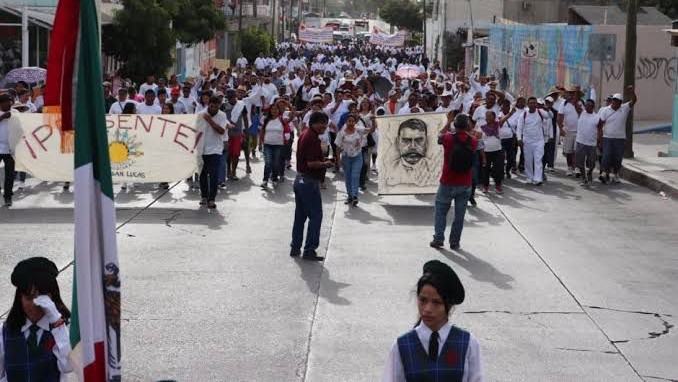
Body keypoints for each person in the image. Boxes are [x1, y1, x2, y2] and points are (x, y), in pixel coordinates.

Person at [381, 260, 482, 382]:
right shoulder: (401, 346)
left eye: (436, 302)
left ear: (448, 305)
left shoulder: (468, 344)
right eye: (423, 300)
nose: (427, 309)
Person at [1, 257, 73, 381]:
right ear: (20, 299)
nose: (34, 305)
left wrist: (56, 320)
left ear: (51, 297)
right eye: (28, 298)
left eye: (41, 298)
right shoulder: (6, 332)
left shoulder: (63, 329)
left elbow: (68, 366)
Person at [290, 111, 335, 261]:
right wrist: (326, 163)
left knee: (300, 216)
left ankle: (295, 248)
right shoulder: (311, 138)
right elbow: (311, 163)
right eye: (322, 122)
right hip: (308, 182)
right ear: (314, 123)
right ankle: (309, 250)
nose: (324, 126)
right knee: (316, 216)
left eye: (326, 122)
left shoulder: (306, 134)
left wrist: (323, 160)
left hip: (301, 180)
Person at [431, 113, 477, 250]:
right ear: (467, 125)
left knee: (440, 211)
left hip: (447, 181)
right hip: (465, 182)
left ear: (454, 125)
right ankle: (455, 242)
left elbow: (439, 136)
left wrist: (448, 121)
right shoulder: (473, 141)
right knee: (460, 214)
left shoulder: (448, 138)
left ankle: (439, 239)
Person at [598, 87, 637, 184]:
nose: (615, 102)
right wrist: (599, 138)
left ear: (620, 102)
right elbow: (600, 125)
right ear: (612, 101)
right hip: (607, 137)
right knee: (606, 156)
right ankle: (603, 173)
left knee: (617, 158)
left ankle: (615, 174)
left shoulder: (624, 108)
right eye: (614, 100)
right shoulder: (605, 110)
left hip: (620, 138)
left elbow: (634, 100)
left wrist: (632, 92)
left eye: (617, 101)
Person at [198, 96, 228, 209]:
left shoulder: (222, 115)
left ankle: (212, 199)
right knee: (202, 174)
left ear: (219, 106)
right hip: (201, 148)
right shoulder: (200, 114)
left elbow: (221, 130)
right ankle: (204, 196)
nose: (214, 108)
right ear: (208, 104)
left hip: (215, 149)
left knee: (214, 174)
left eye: (216, 106)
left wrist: (210, 120)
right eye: (212, 106)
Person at [517, 97, 550, 186]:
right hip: (527, 141)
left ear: (536, 104)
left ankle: (538, 179)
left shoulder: (540, 112)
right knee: (528, 160)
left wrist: (548, 110)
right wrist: (519, 139)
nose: (532, 104)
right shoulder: (524, 114)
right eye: (530, 103)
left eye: (534, 103)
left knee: (538, 159)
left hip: (539, 141)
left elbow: (550, 116)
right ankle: (529, 177)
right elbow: (519, 127)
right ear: (528, 104)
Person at [335, 114, 366, 206]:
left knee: (355, 176)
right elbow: (337, 147)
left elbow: (371, 130)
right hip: (346, 157)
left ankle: (355, 196)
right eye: (349, 121)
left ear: (355, 122)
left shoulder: (359, 130)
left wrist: (373, 121)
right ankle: (350, 196)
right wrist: (338, 160)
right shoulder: (341, 133)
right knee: (348, 177)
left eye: (353, 121)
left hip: (357, 157)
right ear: (346, 122)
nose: (351, 123)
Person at [575, 99, 600, 187]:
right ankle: (583, 178)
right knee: (580, 162)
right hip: (580, 141)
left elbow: (600, 129)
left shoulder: (597, 117)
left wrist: (599, 141)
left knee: (591, 163)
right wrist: (576, 94)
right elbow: (575, 104)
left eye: (590, 106)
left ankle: (589, 172)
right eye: (586, 105)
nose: (587, 107)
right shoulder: (581, 113)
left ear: (593, 107)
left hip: (592, 143)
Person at [0, 93, 16, 206]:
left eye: (11, 101)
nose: (10, 103)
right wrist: (2, 117)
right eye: (7, 101)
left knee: (10, 174)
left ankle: (8, 196)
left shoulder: (15, 113)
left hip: (10, 149)